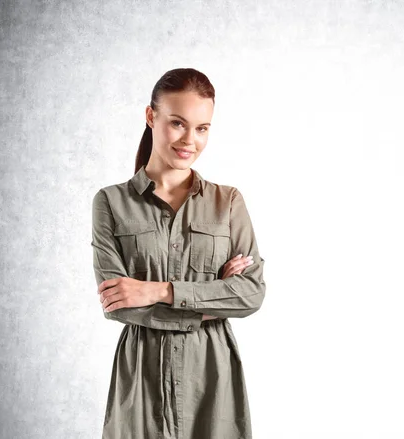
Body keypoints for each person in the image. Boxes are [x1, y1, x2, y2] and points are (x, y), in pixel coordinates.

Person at [91, 67, 266, 439]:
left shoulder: (227, 202)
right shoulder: (110, 202)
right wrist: (215, 296)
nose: (191, 139)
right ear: (150, 116)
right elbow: (118, 304)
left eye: (202, 128)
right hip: (140, 374)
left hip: (212, 374)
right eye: (178, 123)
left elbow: (251, 294)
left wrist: (158, 291)